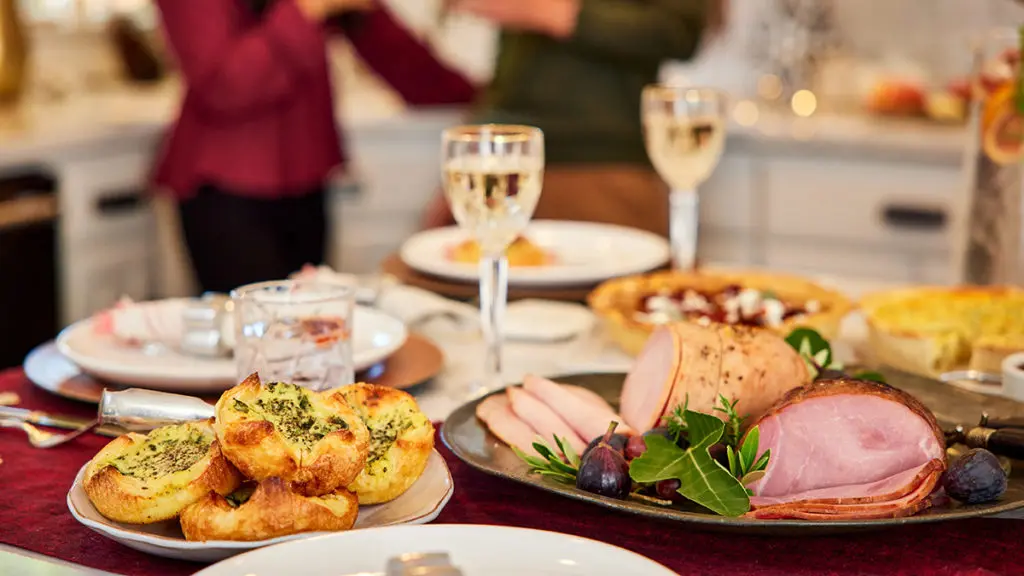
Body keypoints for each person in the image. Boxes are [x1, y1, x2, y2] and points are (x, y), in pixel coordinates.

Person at [153, 0, 476, 294]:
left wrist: (498, 102)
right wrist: (308, 9)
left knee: (306, 328)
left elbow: (403, 62)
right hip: (224, 183)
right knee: (253, 332)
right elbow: (224, 86)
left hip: (307, 179)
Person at [420, 0, 725, 237]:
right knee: (438, 301)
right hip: (503, 153)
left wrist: (557, 13)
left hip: (600, 163)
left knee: (611, 304)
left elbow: (679, 31)